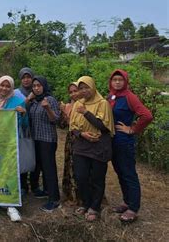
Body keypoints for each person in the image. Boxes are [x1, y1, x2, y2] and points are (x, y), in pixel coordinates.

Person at [108, 69, 153, 222]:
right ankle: (126, 202)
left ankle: (133, 208)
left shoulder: (129, 97)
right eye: (115, 80)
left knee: (128, 173)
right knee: (120, 172)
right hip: (112, 141)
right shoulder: (111, 96)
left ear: (125, 81)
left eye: (120, 79)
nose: (117, 82)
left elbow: (147, 115)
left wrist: (132, 129)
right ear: (111, 82)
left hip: (124, 141)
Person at [70, 76, 115, 221]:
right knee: (81, 177)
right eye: (81, 88)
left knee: (97, 178)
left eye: (86, 87)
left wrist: (86, 113)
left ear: (93, 87)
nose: (84, 91)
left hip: (98, 146)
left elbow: (103, 127)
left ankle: (95, 207)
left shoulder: (103, 104)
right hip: (81, 145)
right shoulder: (78, 104)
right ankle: (86, 203)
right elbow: (72, 128)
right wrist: (82, 134)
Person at [0, 76, 27, 222]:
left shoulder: (18, 101)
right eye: (2, 85)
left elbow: (24, 125)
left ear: (11, 87)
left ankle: (11, 205)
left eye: (8, 86)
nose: (4, 88)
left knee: (9, 170)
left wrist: (23, 114)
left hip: (10, 142)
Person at [27, 76, 61, 212]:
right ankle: (47, 191)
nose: (36, 88)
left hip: (47, 140)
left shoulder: (50, 100)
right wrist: (29, 99)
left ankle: (54, 199)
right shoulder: (35, 101)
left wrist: (47, 108)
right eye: (34, 86)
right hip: (36, 139)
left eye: (39, 85)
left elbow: (55, 120)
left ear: (44, 86)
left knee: (49, 168)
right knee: (40, 166)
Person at [60, 82, 80, 204]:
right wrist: (63, 112)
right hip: (70, 139)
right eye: (71, 92)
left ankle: (80, 195)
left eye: (75, 91)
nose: (73, 94)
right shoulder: (68, 105)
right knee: (69, 165)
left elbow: (74, 124)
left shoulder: (85, 105)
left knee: (79, 166)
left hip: (81, 139)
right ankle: (69, 194)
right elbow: (63, 125)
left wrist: (67, 115)